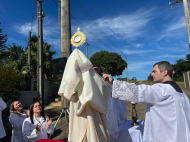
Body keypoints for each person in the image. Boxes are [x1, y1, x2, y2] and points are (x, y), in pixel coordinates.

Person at [102, 61, 190, 142]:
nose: (151, 74)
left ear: (165, 72)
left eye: (154, 71)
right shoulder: (182, 93)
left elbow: (136, 91)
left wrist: (112, 81)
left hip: (165, 137)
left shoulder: (161, 90)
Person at [58, 49, 111, 142]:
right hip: (86, 115)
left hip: (92, 115)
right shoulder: (94, 80)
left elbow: (66, 91)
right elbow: (105, 88)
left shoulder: (75, 83)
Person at [93, 65, 127, 140]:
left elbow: (118, 105)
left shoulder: (110, 88)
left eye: (97, 70)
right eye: (92, 71)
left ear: (102, 74)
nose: (94, 72)